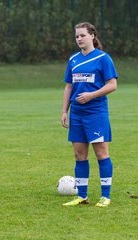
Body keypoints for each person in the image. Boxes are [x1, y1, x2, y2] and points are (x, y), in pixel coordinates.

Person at [61, 22, 118, 207]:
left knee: (101, 154)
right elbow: (68, 87)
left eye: (82, 35)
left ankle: (105, 196)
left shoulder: (103, 58)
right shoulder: (73, 60)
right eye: (76, 36)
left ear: (92, 36)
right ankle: (82, 196)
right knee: (79, 155)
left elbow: (112, 85)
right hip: (77, 114)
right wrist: (64, 111)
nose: (79, 39)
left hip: (96, 113)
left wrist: (91, 95)